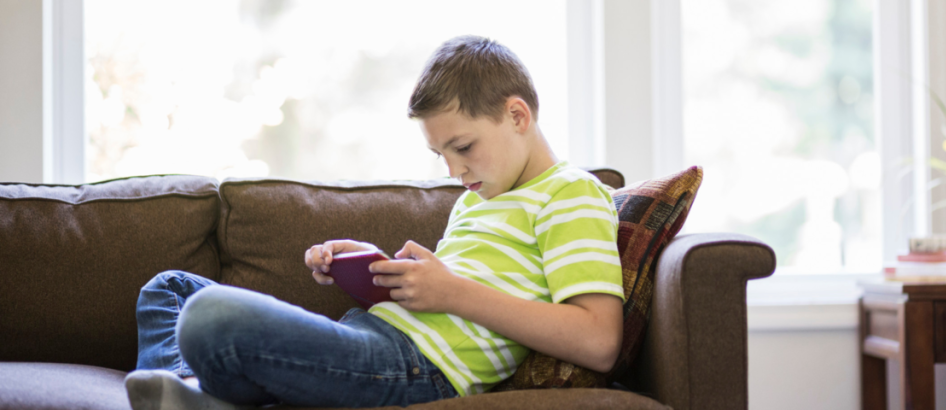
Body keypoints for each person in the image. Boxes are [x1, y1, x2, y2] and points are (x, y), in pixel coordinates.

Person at [124, 35, 624, 410]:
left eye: (463, 147)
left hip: (418, 370)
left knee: (211, 316)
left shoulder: (571, 193)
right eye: (441, 154)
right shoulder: (478, 199)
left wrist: (451, 292)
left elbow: (599, 341)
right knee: (169, 289)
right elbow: (445, 298)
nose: (454, 171)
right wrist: (374, 273)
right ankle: (191, 394)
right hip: (374, 338)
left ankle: (199, 396)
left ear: (517, 116)